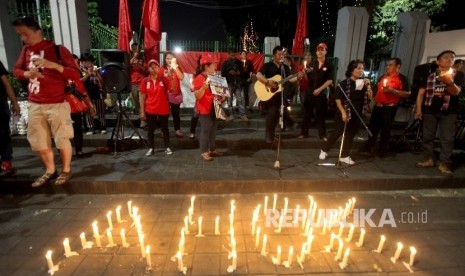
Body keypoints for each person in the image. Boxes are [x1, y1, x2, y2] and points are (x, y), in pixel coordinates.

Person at [13, 16, 80, 186]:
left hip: (57, 103)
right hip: (35, 103)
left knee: (62, 138)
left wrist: (53, 65)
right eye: (20, 35)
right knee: (39, 140)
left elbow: (75, 73)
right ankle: (50, 170)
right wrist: (26, 74)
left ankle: (66, 170)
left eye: (25, 34)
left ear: (38, 31)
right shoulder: (25, 51)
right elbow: (16, 70)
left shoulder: (57, 49)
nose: (23, 38)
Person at [415, 50, 464, 175]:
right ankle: (428, 159)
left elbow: (456, 92)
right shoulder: (429, 75)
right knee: (427, 136)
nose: (449, 59)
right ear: (438, 61)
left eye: (452, 57)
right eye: (446, 57)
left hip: (449, 111)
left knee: (447, 138)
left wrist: (449, 82)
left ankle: (444, 163)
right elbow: (421, 93)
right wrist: (419, 109)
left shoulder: (458, 75)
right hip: (430, 110)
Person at [318, 59, 373, 165]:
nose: (361, 70)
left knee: (350, 135)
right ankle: (324, 149)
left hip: (357, 113)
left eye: (362, 68)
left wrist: (369, 86)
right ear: (352, 70)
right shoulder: (344, 83)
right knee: (337, 132)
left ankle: (344, 155)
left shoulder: (362, 83)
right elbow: (338, 100)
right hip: (344, 112)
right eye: (358, 68)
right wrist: (343, 113)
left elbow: (370, 97)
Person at [359, 57, 410, 157]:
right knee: (372, 127)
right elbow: (374, 91)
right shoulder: (382, 77)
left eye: (390, 65)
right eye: (387, 65)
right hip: (378, 106)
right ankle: (369, 146)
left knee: (386, 129)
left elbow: (408, 94)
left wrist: (393, 91)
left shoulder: (402, 78)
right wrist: (369, 92)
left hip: (389, 108)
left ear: (398, 66)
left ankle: (383, 150)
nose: (387, 67)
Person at [255, 45, 302, 143]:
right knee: (272, 114)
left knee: (277, 115)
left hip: (280, 95)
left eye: (282, 54)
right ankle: (268, 135)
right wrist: (267, 82)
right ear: (273, 55)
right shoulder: (267, 65)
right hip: (269, 95)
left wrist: (298, 77)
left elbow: (290, 78)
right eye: (279, 54)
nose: (281, 56)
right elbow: (258, 75)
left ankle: (272, 134)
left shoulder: (284, 67)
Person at [299, 42, 334, 141]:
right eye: (318, 50)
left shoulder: (329, 65)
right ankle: (304, 133)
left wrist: (319, 90)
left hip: (321, 93)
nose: (320, 51)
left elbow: (330, 80)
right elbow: (307, 79)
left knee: (321, 114)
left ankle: (322, 134)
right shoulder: (311, 64)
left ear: (326, 51)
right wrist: (304, 73)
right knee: (307, 114)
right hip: (309, 92)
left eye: (322, 50)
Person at [192, 53, 224, 161]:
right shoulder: (199, 78)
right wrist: (203, 88)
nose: (215, 66)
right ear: (206, 66)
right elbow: (197, 95)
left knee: (213, 130)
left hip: (214, 107)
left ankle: (212, 149)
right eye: (213, 64)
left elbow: (219, 93)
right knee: (205, 130)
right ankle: (204, 151)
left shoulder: (215, 77)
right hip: (205, 108)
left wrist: (222, 96)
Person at [140, 59, 173, 156]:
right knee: (150, 130)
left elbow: (172, 89)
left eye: (155, 67)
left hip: (163, 108)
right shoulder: (145, 81)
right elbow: (142, 97)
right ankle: (151, 147)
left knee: (165, 129)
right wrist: (142, 111)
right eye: (151, 67)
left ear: (159, 68)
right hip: (150, 109)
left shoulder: (164, 79)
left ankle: (167, 147)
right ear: (148, 68)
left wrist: (171, 78)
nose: (153, 69)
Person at [70, 54, 95, 157]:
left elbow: (82, 90)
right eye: (74, 62)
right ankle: (65, 152)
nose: (76, 64)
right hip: (63, 106)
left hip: (75, 106)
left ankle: (79, 150)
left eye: (77, 62)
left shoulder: (77, 73)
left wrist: (90, 105)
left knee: (77, 129)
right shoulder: (62, 73)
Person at [0, 60, 20, 176]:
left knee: (3, 133)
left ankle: (6, 162)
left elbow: (6, 83)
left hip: (0, 105)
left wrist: (14, 102)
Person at [80, 53, 106, 135]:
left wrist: (97, 73)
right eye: (87, 62)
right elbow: (80, 81)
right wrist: (88, 74)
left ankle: (103, 127)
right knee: (88, 111)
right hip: (86, 93)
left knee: (100, 110)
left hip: (97, 92)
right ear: (83, 62)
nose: (89, 64)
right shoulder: (80, 70)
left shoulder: (95, 68)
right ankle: (90, 128)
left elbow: (102, 82)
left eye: (90, 62)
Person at [221, 49, 248, 121]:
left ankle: (243, 115)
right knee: (229, 100)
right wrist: (229, 73)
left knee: (240, 99)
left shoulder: (239, 62)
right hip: (228, 84)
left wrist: (239, 73)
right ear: (228, 54)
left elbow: (243, 72)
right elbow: (222, 74)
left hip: (238, 83)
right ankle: (231, 115)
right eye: (232, 55)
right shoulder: (225, 63)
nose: (233, 57)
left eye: (234, 55)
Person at [163, 51, 185, 138]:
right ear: (164, 59)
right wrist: (169, 72)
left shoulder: (177, 67)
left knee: (176, 114)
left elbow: (181, 77)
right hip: (165, 95)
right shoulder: (162, 69)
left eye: (171, 58)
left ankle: (177, 129)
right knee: (164, 114)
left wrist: (175, 67)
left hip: (176, 94)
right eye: (167, 58)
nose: (169, 60)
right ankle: (164, 130)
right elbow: (164, 78)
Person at [130, 43, 147, 127]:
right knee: (135, 101)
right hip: (132, 83)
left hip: (141, 83)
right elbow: (127, 66)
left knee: (142, 102)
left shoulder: (143, 58)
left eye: (137, 49)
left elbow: (146, 70)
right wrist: (134, 58)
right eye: (134, 49)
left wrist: (139, 65)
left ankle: (143, 122)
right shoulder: (129, 57)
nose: (135, 50)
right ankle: (140, 115)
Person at [282, 55, 298, 130]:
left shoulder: (293, 71)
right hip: (282, 94)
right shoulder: (282, 71)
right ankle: (287, 125)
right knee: (283, 109)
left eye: (284, 61)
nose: (283, 63)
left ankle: (288, 124)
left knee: (286, 109)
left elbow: (294, 84)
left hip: (289, 94)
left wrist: (290, 94)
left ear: (289, 62)